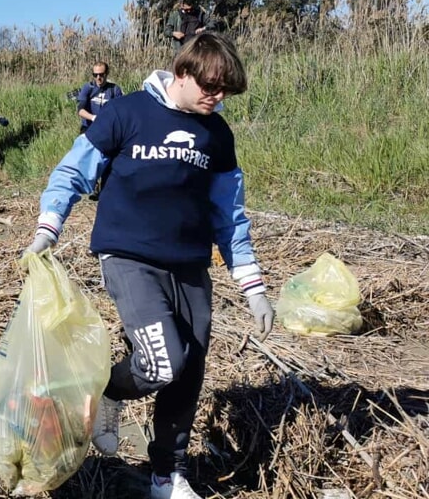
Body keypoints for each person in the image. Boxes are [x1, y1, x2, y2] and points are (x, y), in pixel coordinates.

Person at [24, 33, 273, 499]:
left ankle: (166, 476)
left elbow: (229, 213)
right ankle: (109, 392)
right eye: (211, 87)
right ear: (183, 72)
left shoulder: (217, 133)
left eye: (225, 92)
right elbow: (73, 171)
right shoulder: (127, 112)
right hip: (129, 256)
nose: (218, 98)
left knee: (189, 369)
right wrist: (48, 226)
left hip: (190, 265)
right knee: (163, 363)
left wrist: (251, 285)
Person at [77, 62, 125, 134]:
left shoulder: (114, 89)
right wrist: (93, 118)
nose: (98, 78)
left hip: (107, 128)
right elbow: (80, 110)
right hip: (89, 128)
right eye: (95, 75)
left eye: (101, 75)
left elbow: (120, 111)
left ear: (107, 73)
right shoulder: (88, 87)